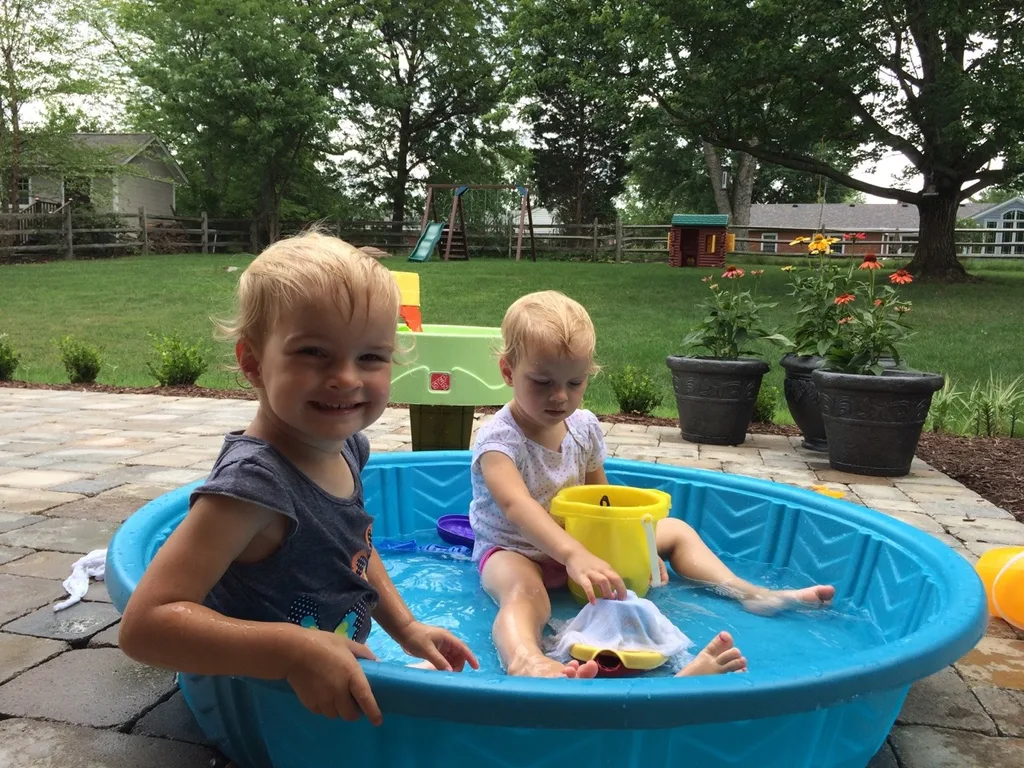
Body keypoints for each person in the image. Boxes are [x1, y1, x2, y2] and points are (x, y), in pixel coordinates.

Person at [119, 231, 478, 726]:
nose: (348, 378)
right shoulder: (253, 488)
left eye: (371, 357)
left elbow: (354, 549)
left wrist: (407, 627)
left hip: (324, 682)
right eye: (313, 352)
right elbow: (145, 627)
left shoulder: (347, 445)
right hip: (269, 704)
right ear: (253, 363)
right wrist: (293, 650)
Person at [469, 290, 835, 679]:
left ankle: (749, 593)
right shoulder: (499, 441)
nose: (560, 396)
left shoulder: (583, 428)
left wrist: (635, 549)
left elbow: (601, 501)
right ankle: (526, 658)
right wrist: (573, 555)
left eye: (574, 382)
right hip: (516, 549)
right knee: (523, 593)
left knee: (675, 531)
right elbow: (516, 507)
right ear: (508, 371)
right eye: (542, 382)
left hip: (582, 547)